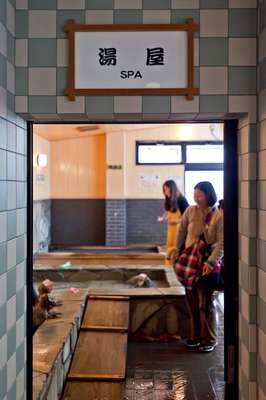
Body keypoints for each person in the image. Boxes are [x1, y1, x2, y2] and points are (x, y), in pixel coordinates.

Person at [168, 182, 223, 352]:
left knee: (205, 302)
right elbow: (182, 231)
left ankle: (210, 339)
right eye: (195, 194)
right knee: (191, 301)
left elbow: (222, 243)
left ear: (209, 195)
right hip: (190, 264)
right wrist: (176, 248)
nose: (196, 198)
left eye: (200, 194)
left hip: (206, 263)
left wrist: (211, 262)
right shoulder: (190, 211)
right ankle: (195, 336)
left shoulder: (217, 214)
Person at [158, 180, 189, 265]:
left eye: (167, 189)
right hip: (171, 230)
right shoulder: (170, 200)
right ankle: (169, 268)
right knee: (169, 249)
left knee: (176, 250)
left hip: (179, 231)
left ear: (173, 189)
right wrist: (163, 217)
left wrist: (176, 221)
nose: (165, 192)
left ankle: (175, 269)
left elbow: (187, 217)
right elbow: (168, 211)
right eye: (164, 190)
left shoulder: (182, 200)